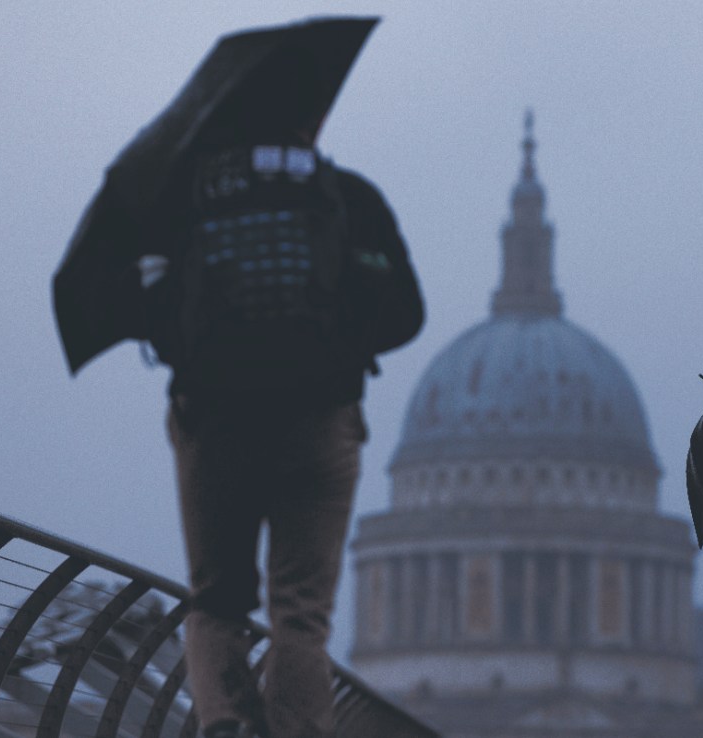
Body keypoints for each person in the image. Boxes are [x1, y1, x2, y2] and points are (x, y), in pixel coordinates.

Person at [136, 62, 424, 738]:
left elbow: (151, 316)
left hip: (214, 420)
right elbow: (407, 313)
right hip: (321, 422)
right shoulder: (350, 197)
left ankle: (223, 722)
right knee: (300, 611)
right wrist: (344, 353)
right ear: (312, 121)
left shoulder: (184, 199)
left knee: (216, 598)